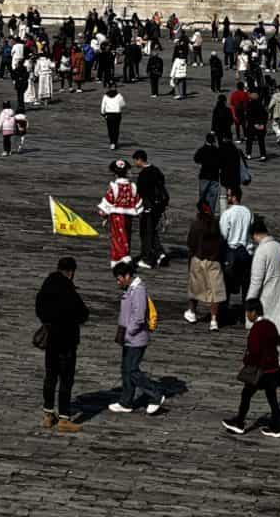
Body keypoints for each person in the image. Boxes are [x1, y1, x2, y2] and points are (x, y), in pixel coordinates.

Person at [35, 257, 88, 433]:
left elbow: (39, 308)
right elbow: (82, 313)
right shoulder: (68, 289)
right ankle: (64, 418)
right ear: (72, 272)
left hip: (51, 341)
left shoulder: (47, 283)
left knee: (50, 377)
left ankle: (48, 415)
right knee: (66, 380)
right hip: (66, 341)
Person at [106, 260, 165, 415]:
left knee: (132, 370)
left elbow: (138, 317)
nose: (117, 282)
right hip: (129, 337)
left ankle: (155, 394)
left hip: (136, 338)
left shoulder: (138, 290)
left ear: (127, 276)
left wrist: (129, 332)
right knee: (126, 370)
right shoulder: (131, 289)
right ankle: (126, 402)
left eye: (119, 278)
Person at [222, 299, 280, 437]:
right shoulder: (271, 325)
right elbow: (278, 344)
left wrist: (246, 362)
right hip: (273, 370)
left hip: (261, 370)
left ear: (254, 312)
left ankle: (239, 423)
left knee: (246, 395)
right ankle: (276, 427)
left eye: (248, 312)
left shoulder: (257, 329)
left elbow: (254, 352)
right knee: (272, 399)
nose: (247, 315)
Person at [247, 219, 280, 342]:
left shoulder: (261, 251)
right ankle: (279, 358)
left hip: (265, 300)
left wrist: (249, 302)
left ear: (255, 234)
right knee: (276, 336)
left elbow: (256, 281)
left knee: (263, 335)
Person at [133, 150, 170, 267]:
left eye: (135, 160)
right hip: (158, 207)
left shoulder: (143, 174)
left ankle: (147, 259)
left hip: (148, 207)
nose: (135, 163)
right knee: (153, 230)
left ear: (139, 159)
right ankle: (160, 254)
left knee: (146, 233)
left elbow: (140, 193)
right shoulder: (156, 170)